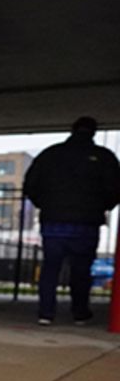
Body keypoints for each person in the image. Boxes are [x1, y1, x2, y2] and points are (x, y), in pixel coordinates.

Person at [23, 116, 120, 325]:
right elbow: (115, 189)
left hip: (53, 221)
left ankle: (46, 313)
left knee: (50, 268)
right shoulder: (104, 157)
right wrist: (101, 207)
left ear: (72, 129)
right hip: (87, 222)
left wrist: (46, 205)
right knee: (81, 270)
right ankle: (80, 312)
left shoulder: (51, 154)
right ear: (94, 132)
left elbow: (30, 185)